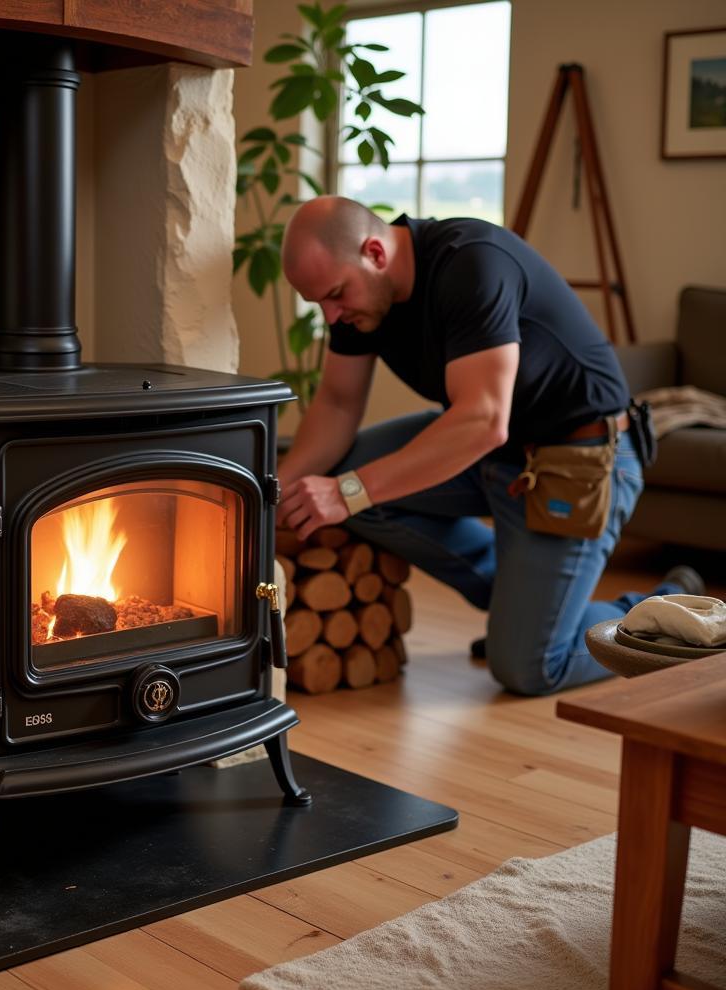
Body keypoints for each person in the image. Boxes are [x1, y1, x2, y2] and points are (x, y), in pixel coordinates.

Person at [276, 195, 701, 696]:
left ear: (375, 252)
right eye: (319, 303)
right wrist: (273, 493)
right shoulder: (361, 302)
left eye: (336, 295)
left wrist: (346, 492)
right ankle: (526, 610)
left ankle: (670, 609)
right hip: (493, 457)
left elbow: (482, 421)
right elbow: (338, 405)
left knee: (531, 666)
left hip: (579, 460)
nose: (331, 315)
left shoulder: (472, 264)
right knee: (341, 478)